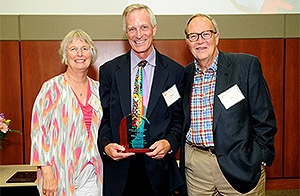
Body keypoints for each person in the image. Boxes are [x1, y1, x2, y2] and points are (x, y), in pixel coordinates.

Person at [182, 14, 277, 195]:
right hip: (197, 170)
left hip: (241, 164)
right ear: (187, 42)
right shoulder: (185, 74)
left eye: (206, 34)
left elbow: (264, 116)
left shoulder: (245, 66)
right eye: (193, 36)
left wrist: (261, 157)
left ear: (217, 37)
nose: (199, 41)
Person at [97, 3, 185, 196]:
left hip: (159, 172)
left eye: (144, 27)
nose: (138, 35)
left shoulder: (175, 72)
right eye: (132, 29)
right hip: (119, 171)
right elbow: (103, 117)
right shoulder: (109, 71)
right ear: (126, 33)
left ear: (154, 29)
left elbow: (179, 119)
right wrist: (106, 145)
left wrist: (169, 142)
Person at [30, 29, 103, 196]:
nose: (80, 53)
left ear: (91, 54)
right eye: (73, 49)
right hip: (58, 174)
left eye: (85, 48)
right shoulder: (51, 88)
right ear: (65, 55)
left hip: (92, 174)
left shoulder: (99, 90)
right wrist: (47, 173)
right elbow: (38, 133)